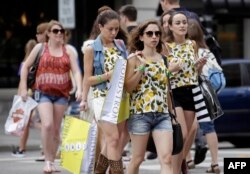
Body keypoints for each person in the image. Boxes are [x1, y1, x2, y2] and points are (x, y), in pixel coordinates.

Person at [19, 20, 82, 173]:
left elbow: (76, 71)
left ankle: (52, 161)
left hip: (61, 94)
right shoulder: (40, 48)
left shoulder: (68, 51)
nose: (59, 33)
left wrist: (79, 88)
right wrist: (23, 86)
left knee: (55, 129)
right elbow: (26, 66)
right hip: (43, 92)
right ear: (48, 33)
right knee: (47, 125)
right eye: (55, 31)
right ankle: (47, 161)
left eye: (61, 31)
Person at [80, 10, 128, 174]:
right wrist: (107, 76)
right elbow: (88, 79)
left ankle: (98, 171)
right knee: (113, 138)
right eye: (110, 29)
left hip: (121, 97)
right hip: (101, 97)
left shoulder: (121, 45)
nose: (114, 33)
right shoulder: (91, 48)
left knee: (113, 142)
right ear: (100, 27)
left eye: (116, 29)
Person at [125, 19, 173, 174]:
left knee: (166, 159)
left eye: (157, 33)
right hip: (140, 114)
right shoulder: (134, 58)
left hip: (162, 115)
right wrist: (141, 68)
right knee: (137, 159)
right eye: (150, 33)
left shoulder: (164, 59)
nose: (154, 37)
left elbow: (166, 88)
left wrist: (171, 113)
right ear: (141, 37)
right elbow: (128, 87)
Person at [164, 11, 208, 174]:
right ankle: (175, 170)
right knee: (180, 135)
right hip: (175, 92)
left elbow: (194, 71)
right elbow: (162, 71)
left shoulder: (192, 44)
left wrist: (200, 65)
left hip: (192, 91)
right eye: (178, 23)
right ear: (170, 27)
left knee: (189, 133)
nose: (182, 25)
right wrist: (172, 69)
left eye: (184, 22)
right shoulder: (166, 46)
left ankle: (178, 165)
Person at [186, 18, 221, 174]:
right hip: (207, 93)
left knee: (186, 128)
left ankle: (187, 160)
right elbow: (218, 72)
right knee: (209, 128)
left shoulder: (187, 50)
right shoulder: (207, 52)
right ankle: (215, 163)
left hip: (190, 92)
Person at [12, 22, 49, 158]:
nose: (37, 35)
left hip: (37, 92)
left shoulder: (53, 50)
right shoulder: (38, 52)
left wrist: (22, 91)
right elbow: (25, 72)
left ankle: (28, 149)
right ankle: (41, 150)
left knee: (35, 122)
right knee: (36, 122)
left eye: (39, 32)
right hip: (36, 91)